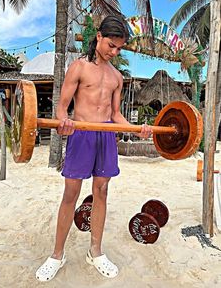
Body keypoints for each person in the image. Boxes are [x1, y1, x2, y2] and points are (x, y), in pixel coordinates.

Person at [36, 15, 152, 282]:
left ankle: (95, 252)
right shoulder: (79, 67)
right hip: (82, 133)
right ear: (99, 36)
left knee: (101, 191)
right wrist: (63, 121)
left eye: (119, 48)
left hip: (106, 136)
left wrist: (137, 129)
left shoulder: (116, 77)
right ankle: (57, 255)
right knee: (71, 193)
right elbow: (62, 106)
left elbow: (117, 115)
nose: (115, 51)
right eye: (112, 45)